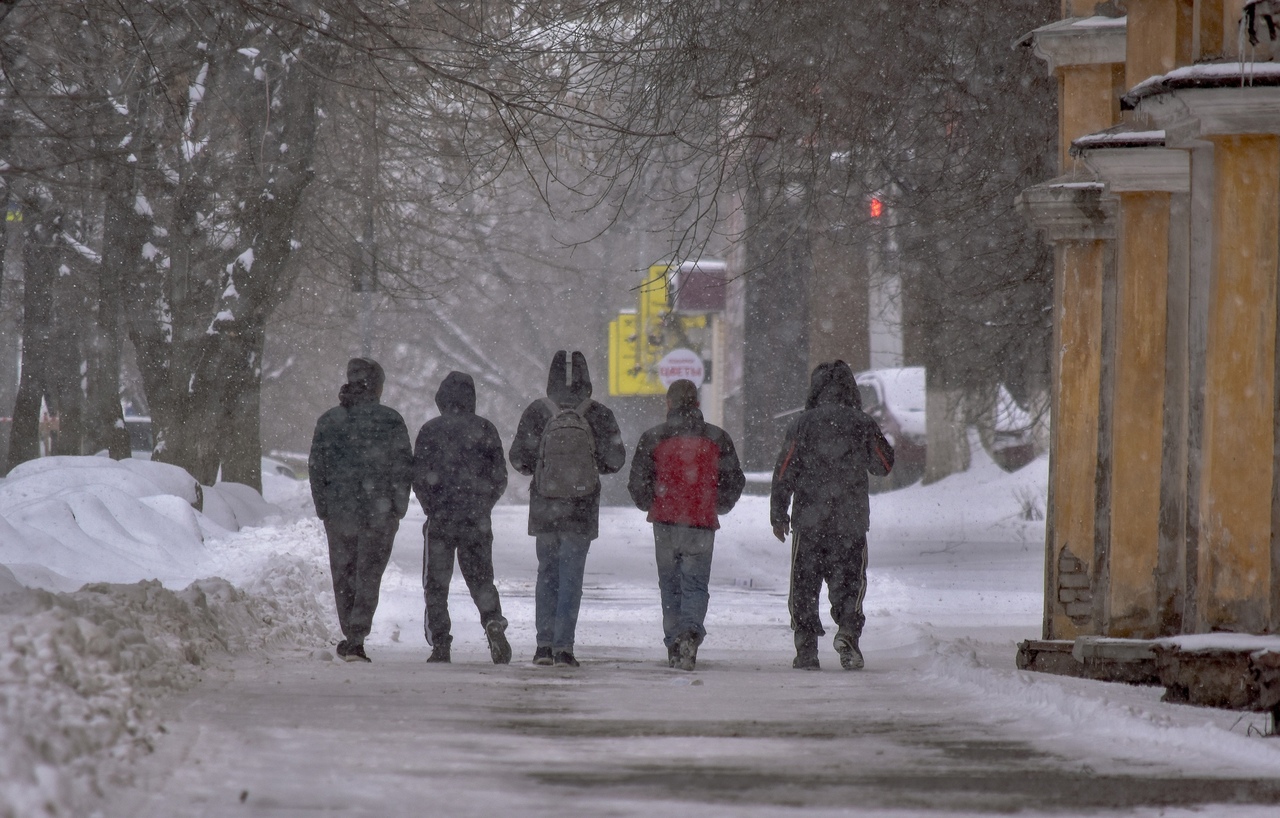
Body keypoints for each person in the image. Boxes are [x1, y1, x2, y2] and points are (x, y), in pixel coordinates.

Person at [770, 360, 894, 671]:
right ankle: (848, 633)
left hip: (809, 520)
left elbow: (784, 471)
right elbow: (883, 465)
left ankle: (806, 648)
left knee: (804, 585)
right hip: (849, 520)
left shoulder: (802, 424)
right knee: (850, 582)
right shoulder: (861, 423)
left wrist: (778, 513)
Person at [509, 350, 625, 668]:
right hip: (581, 508)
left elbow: (519, 459)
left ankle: (542, 646)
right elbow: (614, 461)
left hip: (545, 509)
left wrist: (544, 467)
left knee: (547, 575)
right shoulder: (598, 413)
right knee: (571, 577)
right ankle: (564, 648)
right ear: (588, 381)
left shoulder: (537, 411)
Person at [628, 379, 745, 671]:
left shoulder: (653, 437)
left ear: (669, 403)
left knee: (670, 586)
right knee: (695, 584)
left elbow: (637, 482)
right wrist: (719, 504)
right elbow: (735, 480)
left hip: (665, 521)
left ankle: (673, 643)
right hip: (701, 522)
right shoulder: (717, 438)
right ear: (697, 403)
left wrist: (649, 501)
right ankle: (690, 632)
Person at [308, 358, 413, 663]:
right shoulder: (391, 420)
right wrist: (397, 507)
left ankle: (350, 632)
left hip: (340, 512)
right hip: (378, 513)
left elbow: (316, 467)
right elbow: (403, 467)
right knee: (369, 574)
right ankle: (357, 635)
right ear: (378, 386)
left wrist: (323, 506)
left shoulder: (329, 421)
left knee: (343, 573)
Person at [412, 371, 511, 665]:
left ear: (441, 399)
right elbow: (499, 477)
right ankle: (492, 620)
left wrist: (432, 506)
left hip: (441, 520)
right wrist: (483, 505)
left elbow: (418, 477)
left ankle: (440, 643)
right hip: (476, 520)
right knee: (481, 579)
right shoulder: (485, 428)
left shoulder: (430, 430)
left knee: (436, 583)